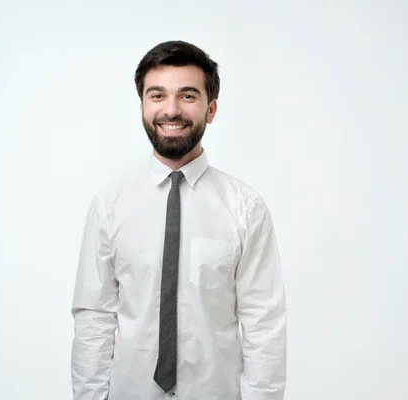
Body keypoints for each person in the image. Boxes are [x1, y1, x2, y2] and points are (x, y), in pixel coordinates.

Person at [71, 40, 287, 400]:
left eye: (187, 96)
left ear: (211, 108)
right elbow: (94, 317)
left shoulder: (245, 208)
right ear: (142, 105)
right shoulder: (109, 206)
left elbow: (263, 323)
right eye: (157, 95)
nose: (171, 110)